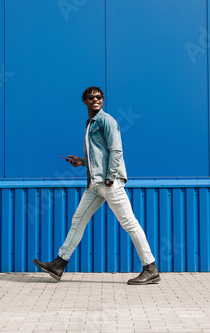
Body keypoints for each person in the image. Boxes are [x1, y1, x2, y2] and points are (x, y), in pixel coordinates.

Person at [33, 86, 160, 285]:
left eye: (99, 97)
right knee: (78, 220)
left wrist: (110, 178)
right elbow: (100, 154)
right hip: (95, 184)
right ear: (84, 101)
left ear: (103, 100)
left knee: (129, 223)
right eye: (91, 97)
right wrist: (82, 161)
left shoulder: (106, 121)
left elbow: (116, 151)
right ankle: (59, 264)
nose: (95, 100)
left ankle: (150, 268)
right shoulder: (90, 123)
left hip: (109, 183)